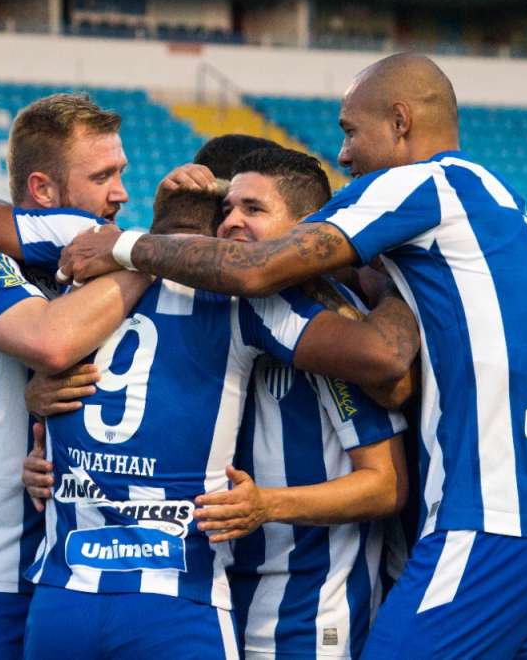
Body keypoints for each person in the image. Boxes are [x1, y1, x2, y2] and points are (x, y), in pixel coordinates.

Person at [56, 52, 527, 658]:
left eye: (349, 130)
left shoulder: (419, 184)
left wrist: (128, 246)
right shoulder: (498, 200)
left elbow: (266, 272)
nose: (344, 155)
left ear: (400, 121)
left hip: (490, 514)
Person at [24, 147, 413, 659]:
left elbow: (386, 483)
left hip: (303, 611)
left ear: (308, 231)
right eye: (225, 210)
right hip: (214, 590)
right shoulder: (211, 307)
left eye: (253, 210)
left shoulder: (328, 325)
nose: (231, 223)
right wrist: (43, 421)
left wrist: (268, 505)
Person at [0, 93, 154, 659]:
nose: (120, 192)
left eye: (121, 172)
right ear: (44, 191)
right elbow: (50, 341)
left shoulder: (100, 272)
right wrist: (150, 256)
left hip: (82, 577)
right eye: (102, 176)